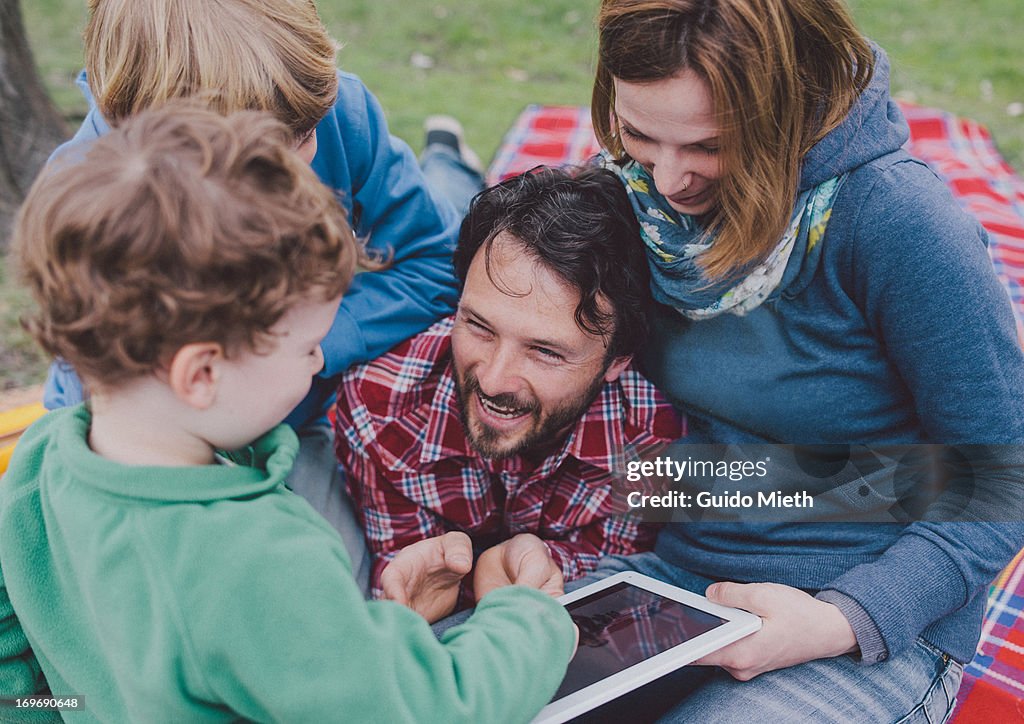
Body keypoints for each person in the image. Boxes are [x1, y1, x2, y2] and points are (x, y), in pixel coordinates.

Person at [0, 104, 576, 723]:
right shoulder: (260, 555)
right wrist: (525, 618)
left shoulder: (42, 458)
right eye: (306, 347)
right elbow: (432, 710)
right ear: (201, 373)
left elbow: (14, 672)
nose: (315, 365)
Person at [583, 0, 1024, 721]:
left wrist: (837, 620)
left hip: (865, 618)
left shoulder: (896, 220)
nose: (666, 181)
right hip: (679, 578)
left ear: (784, 106)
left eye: (708, 147)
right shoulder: (633, 193)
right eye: (638, 135)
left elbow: (1002, 474)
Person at [37, 0, 472, 592]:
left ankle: (448, 163)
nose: (307, 160)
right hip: (190, 451)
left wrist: (304, 343)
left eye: (309, 133)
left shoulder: (337, 112)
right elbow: (81, 401)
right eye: (273, 152)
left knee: (331, 588)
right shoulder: (85, 199)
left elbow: (436, 263)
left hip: (303, 418)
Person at [334, 167, 683, 620]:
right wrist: (437, 592)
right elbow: (407, 584)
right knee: (441, 185)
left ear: (618, 360)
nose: (495, 380)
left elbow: (616, 577)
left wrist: (544, 564)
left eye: (545, 352)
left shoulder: (658, 442)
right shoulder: (376, 409)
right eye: (478, 326)